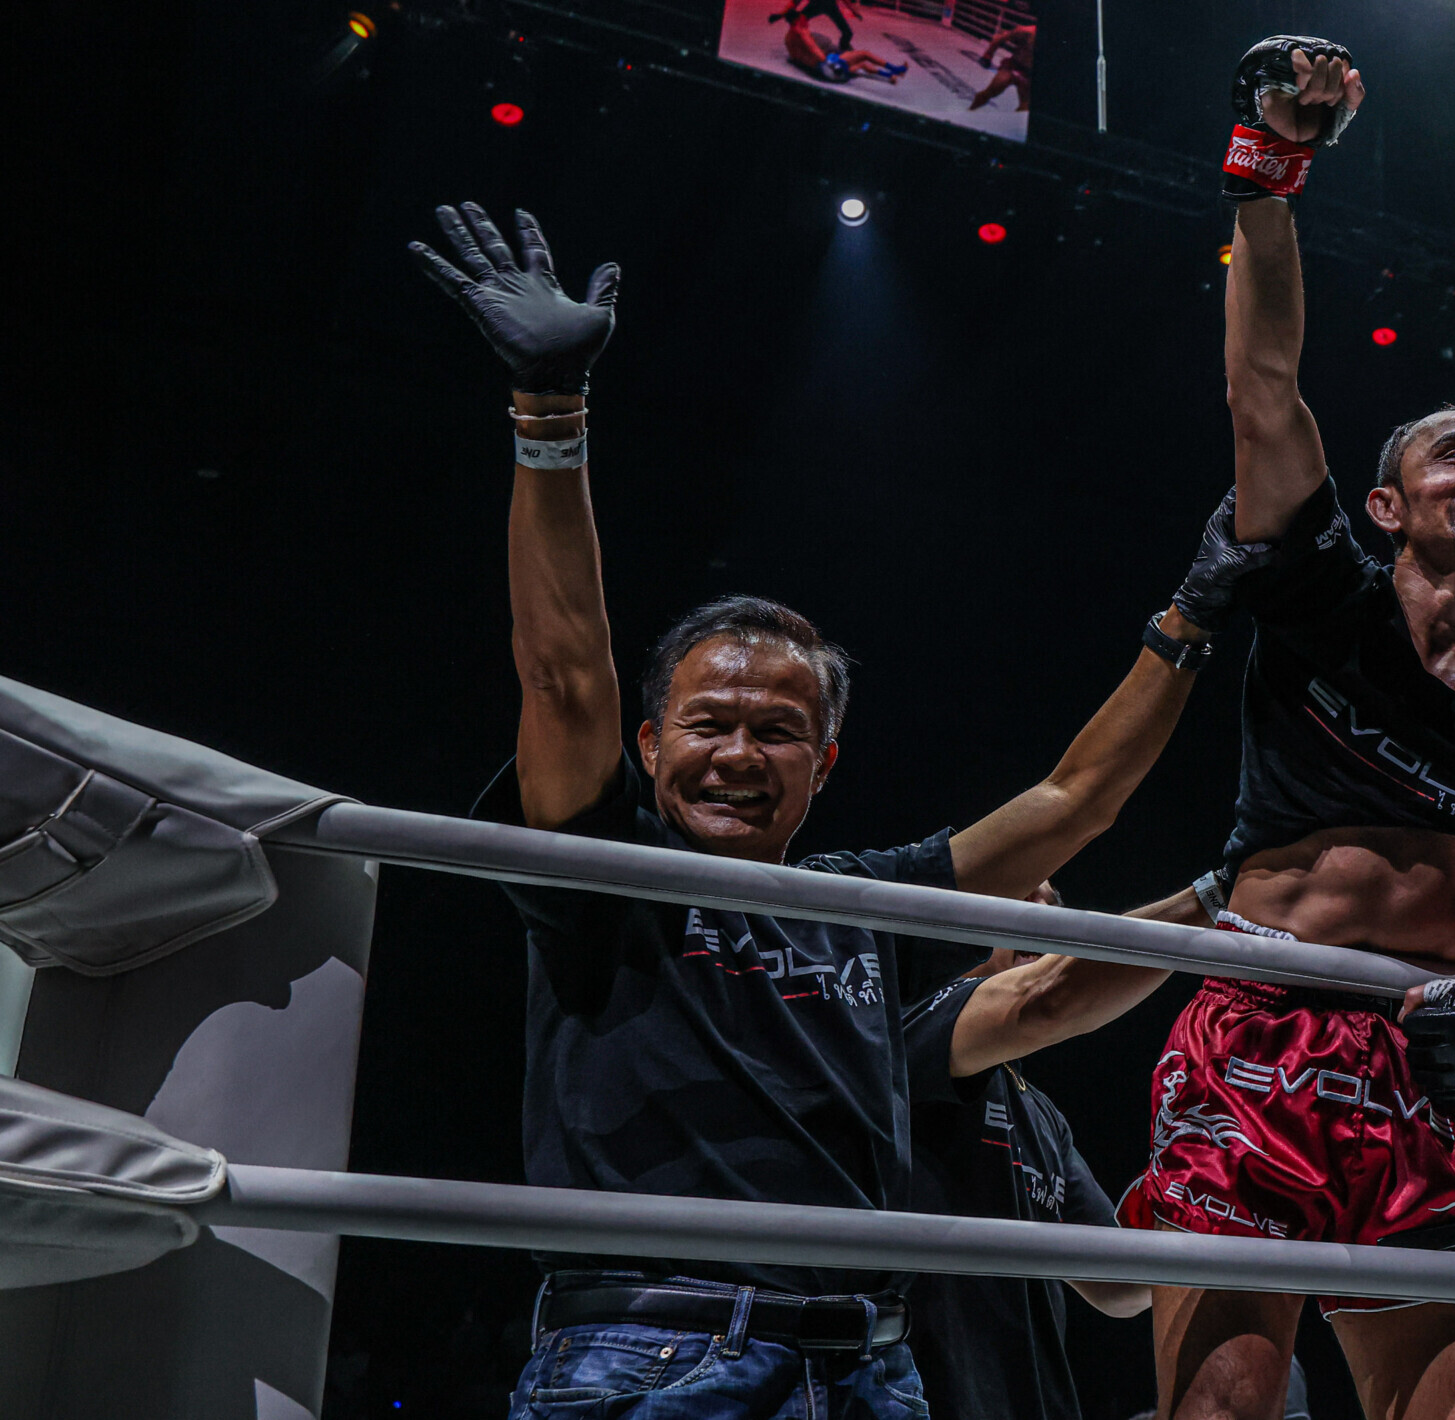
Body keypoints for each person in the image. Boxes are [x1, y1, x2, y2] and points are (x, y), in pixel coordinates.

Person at [407, 201, 1230, 1420]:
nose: (739, 752)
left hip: (868, 1364)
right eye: (709, 723)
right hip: (659, 1345)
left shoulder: (856, 903)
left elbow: (1071, 802)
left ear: (824, 759)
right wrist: (548, 415)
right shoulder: (602, 874)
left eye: (777, 729)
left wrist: (1192, 617)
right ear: (649, 745)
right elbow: (561, 670)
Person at [1126, 37, 1455, 1420]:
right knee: (1224, 1408)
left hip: (1432, 1055)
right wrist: (1267, 178)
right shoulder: (1317, 599)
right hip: (1259, 1032)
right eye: (1454, 455)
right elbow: (1264, 388)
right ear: (1387, 507)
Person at [899, 889, 1174, 1420]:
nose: (1045, 914)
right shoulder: (905, 1030)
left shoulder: (1042, 1115)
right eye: (1022, 893)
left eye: (1055, 901)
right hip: (925, 1400)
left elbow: (1121, 1286)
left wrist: (1213, 1176)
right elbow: (1046, 1002)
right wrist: (1206, 899)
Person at [968, 24, 1034, 112]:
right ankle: (971, 110)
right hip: (1013, 67)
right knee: (992, 91)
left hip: (1028, 73)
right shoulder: (1027, 31)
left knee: (1025, 105)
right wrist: (988, 55)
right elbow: (1000, 38)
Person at [771, 0, 853, 53]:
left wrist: (853, 10)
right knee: (797, 20)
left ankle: (844, 48)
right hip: (817, 5)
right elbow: (795, 2)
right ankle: (795, 42)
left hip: (829, 5)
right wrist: (781, 14)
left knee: (848, 33)